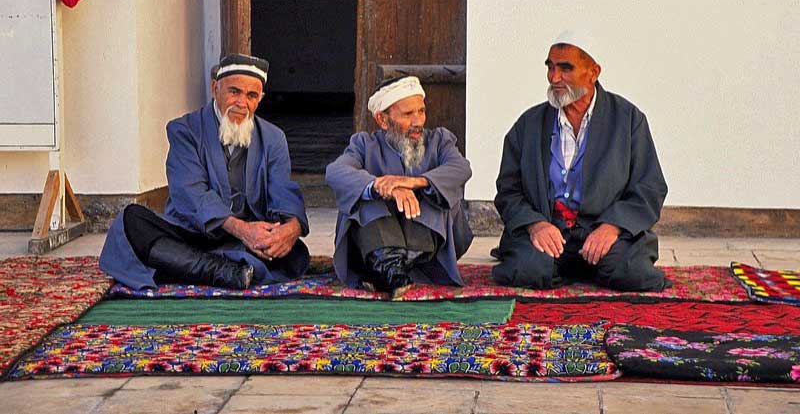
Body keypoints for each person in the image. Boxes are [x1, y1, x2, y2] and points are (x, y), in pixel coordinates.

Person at [99, 53, 309, 290]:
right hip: (190, 233)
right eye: (234, 92)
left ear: (259, 99)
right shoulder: (185, 130)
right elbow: (190, 193)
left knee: (291, 254)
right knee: (131, 222)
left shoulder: (273, 138)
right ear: (215, 89)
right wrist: (241, 229)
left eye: (251, 95)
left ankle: (195, 268)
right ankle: (218, 270)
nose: (242, 103)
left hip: (247, 242)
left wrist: (290, 230)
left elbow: (283, 191)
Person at [492, 30, 669, 291]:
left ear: (593, 72)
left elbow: (649, 187)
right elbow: (509, 190)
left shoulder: (628, 120)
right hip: (549, 228)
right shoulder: (529, 124)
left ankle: (592, 262)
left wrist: (612, 227)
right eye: (550, 68)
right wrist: (536, 225)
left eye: (565, 68)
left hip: (603, 229)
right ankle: (572, 266)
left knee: (632, 273)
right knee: (530, 268)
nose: (554, 78)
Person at [326, 76, 473, 293]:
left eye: (421, 111)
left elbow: (461, 168)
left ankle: (394, 270)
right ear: (383, 120)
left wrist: (414, 183)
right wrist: (379, 186)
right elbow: (335, 172)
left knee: (436, 192)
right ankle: (390, 269)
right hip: (376, 243)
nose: (418, 122)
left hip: (427, 248)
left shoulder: (440, 140)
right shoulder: (364, 144)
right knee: (363, 197)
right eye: (407, 114)